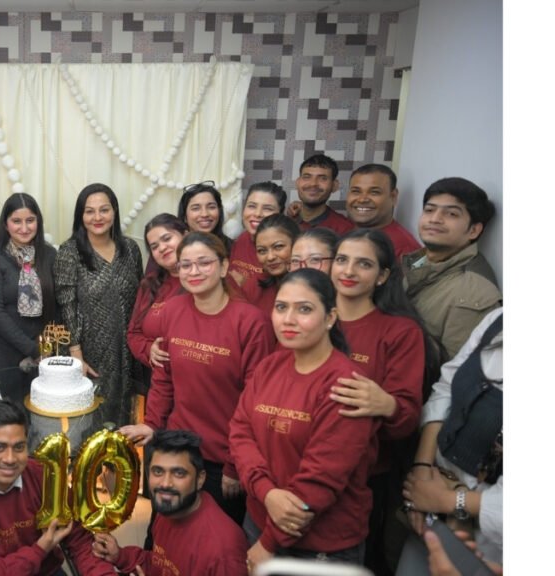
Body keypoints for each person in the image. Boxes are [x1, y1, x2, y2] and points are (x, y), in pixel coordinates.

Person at [228, 269, 380, 570]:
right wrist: (266, 492)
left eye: (304, 309)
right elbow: (240, 431)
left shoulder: (345, 384)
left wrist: (269, 543)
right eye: (281, 307)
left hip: (319, 545)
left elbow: (321, 480)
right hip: (258, 519)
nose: (288, 319)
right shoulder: (270, 366)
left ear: (330, 317)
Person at [121, 232, 276, 527]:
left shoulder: (251, 322)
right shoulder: (173, 310)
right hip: (177, 447)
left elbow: (255, 403)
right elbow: (164, 378)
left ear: (224, 266)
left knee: (217, 538)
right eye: (186, 265)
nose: (194, 271)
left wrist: (234, 464)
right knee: (163, 532)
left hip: (223, 457)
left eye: (204, 263)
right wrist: (152, 424)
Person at [330, 229, 437, 574]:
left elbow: (407, 418)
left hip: (363, 477)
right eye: (342, 260)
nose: (348, 271)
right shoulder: (309, 316)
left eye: (363, 264)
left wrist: (387, 404)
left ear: (382, 276)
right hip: (295, 464)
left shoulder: (400, 331)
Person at [0, 399, 116, 575]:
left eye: (19, 447)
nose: (10, 459)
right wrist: (39, 550)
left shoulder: (43, 475)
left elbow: (80, 540)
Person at [402, 307, 503, 567]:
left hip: (488, 542)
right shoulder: (497, 320)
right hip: (432, 495)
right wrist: (422, 472)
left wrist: (450, 500)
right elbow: (446, 388)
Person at [91, 430, 248, 575]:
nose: (165, 484)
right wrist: (120, 555)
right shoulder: (170, 508)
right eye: (158, 471)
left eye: (179, 473)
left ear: (200, 479)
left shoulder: (224, 552)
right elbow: (158, 564)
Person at [55, 183, 144, 426]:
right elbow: (67, 306)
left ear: (114, 211)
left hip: (127, 352)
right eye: (89, 211)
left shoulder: (131, 250)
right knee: (90, 421)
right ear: (80, 216)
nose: (97, 217)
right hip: (89, 353)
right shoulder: (70, 252)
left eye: (104, 210)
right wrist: (76, 355)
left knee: (125, 419)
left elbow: (140, 301)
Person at [402, 177, 501, 362]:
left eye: (451, 214)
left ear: (474, 230)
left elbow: (455, 368)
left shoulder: (474, 292)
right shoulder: (418, 259)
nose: (435, 219)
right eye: (429, 210)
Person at [0, 193, 59, 402]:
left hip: (41, 352)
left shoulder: (49, 255)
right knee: (6, 415)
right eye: (16, 221)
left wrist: (44, 348)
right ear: (6, 225)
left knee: (39, 412)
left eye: (30, 220)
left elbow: (56, 305)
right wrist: (32, 349)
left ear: (38, 222)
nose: (24, 228)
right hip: (2, 353)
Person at [126, 213, 187, 387]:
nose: (162, 248)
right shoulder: (150, 284)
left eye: (167, 238)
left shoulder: (203, 281)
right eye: (154, 246)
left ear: (186, 235)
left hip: (195, 380)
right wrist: (149, 349)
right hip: (158, 381)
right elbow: (133, 333)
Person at [345, 164, 421, 260]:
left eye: (374, 192)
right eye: (356, 191)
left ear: (393, 197)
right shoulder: (346, 230)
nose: (362, 199)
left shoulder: (405, 249)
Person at [227, 181, 287, 295]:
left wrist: (244, 284)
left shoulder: (285, 249)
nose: (258, 214)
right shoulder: (242, 239)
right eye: (252, 206)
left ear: (280, 214)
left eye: (267, 208)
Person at [246, 214, 300, 314]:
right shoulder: (254, 288)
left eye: (278, 247)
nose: (270, 257)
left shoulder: (313, 289)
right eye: (262, 251)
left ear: (297, 244)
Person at [292, 154, 355, 235]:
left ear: (334, 186)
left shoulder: (345, 229)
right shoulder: (286, 220)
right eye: (307, 177)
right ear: (297, 183)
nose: (313, 184)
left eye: (323, 178)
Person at [178, 180, 233, 249]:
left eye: (211, 207)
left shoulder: (233, 248)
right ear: (184, 216)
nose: (205, 214)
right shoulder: (176, 248)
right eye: (196, 208)